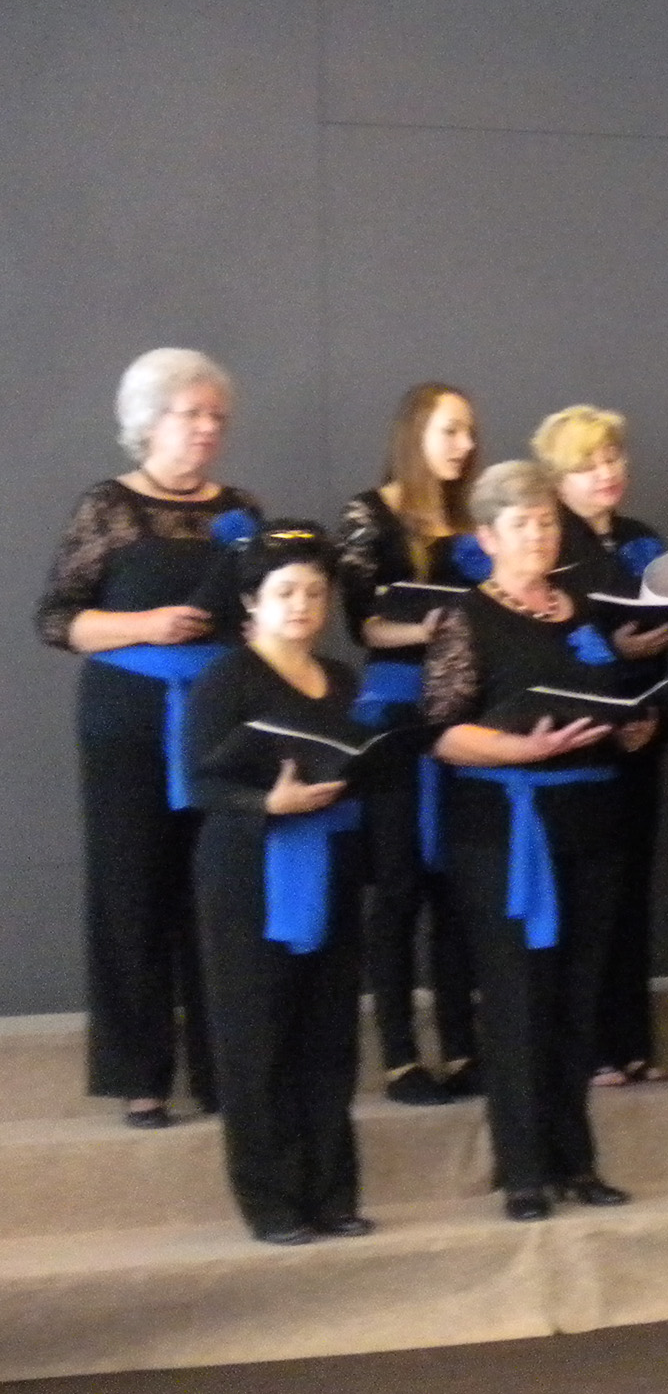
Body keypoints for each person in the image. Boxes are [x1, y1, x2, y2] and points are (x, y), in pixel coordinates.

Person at [423, 461, 654, 1221]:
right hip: (506, 830)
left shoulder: (582, 611)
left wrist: (633, 724)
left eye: (548, 522)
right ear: (487, 537)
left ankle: (575, 1161)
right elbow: (443, 733)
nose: (539, 536)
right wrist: (519, 750)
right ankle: (523, 1170)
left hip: (592, 819)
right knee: (519, 998)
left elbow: (611, 699)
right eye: (522, 524)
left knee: (579, 998)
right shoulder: (467, 617)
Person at [38, 348, 259, 1128]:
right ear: (147, 421)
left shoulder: (242, 510)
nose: (206, 428)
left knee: (220, 888)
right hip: (127, 718)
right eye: (190, 413)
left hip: (222, 716)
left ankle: (223, 1069)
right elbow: (57, 619)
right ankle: (140, 1075)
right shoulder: (108, 507)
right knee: (131, 889)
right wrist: (146, 625)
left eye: (216, 416)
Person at [185, 522, 371, 1244]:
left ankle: (332, 1194)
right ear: (251, 602)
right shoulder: (224, 678)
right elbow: (199, 784)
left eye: (315, 593)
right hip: (249, 871)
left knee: (329, 1037)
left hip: (329, 861)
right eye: (286, 592)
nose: (302, 606)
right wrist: (269, 803)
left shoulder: (342, 678)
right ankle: (270, 1202)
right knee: (256, 1038)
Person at [335, 381, 482, 1107]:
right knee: (396, 885)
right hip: (396, 712)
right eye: (450, 430)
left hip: (462, 714)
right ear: (414, 432)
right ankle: (398, 1055)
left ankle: (462, 1045)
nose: (465, 445)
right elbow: (361, 623)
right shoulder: (369, 514)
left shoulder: (472, 521)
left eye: (469, 432)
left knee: (456, 888)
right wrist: (425, 630)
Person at [532, 405, 668, 1089]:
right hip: (572, 744)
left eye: (613, 458)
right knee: (578, 903)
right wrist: (615, 650)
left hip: (637, 734)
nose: (606, 473)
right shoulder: (546, 542)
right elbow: (540, 647)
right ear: (557, 477)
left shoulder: (645, 541)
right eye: (588, 464)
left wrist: (653, 715)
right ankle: (584, 1046)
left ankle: (632, 1039)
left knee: (631, 892)